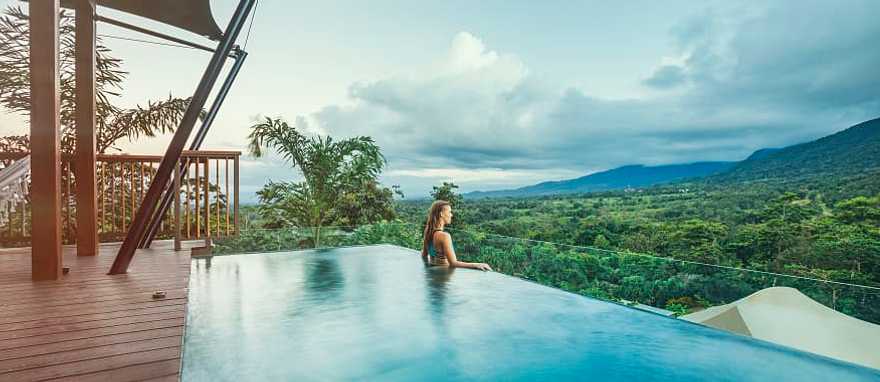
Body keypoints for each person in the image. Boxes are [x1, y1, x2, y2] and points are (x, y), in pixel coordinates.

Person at [420, 200, 492, 271]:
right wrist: (476, 265)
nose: (451, 215)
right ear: (441, 214)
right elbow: (453, 263)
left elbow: (424, 254)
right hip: (443, 275)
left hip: (434, 274)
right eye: (449, 212)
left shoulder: (428, 231)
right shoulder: (444, 236)